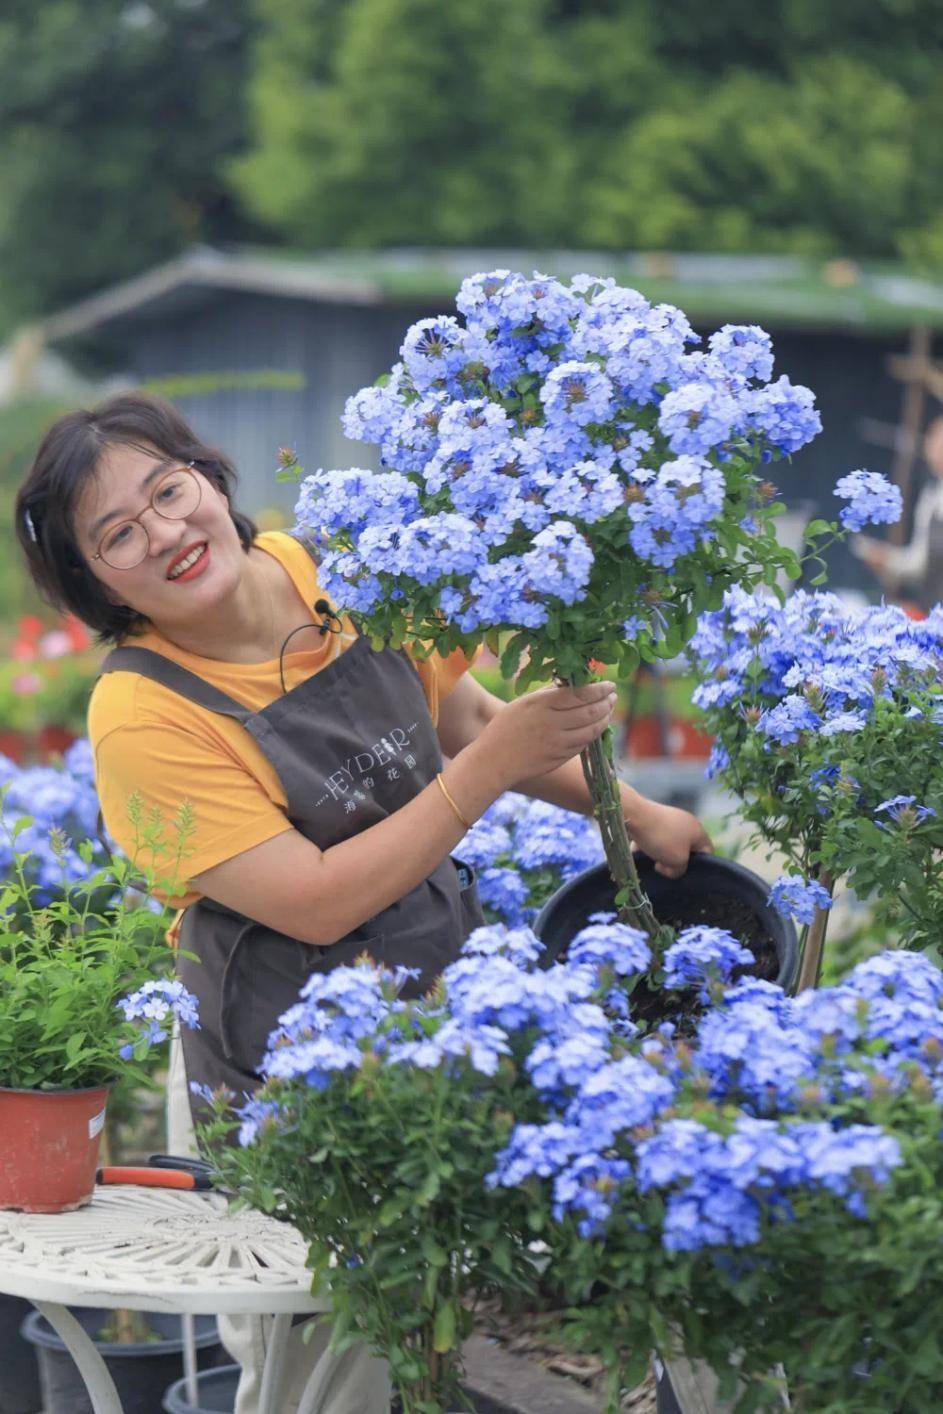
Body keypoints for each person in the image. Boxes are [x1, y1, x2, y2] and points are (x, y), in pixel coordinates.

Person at [15, 392, 712, 1413]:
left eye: (167, 490)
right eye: (117, 534)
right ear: (94, 584)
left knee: (437, 1313)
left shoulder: (321, 566)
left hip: (430, 1001)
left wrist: (639, 815)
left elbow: (458, 714)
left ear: (207, 474)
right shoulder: (141, 714)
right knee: (323, 1363)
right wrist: (488, 767)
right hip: (283, 1065)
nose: (163, 532)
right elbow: (313, 900)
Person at [854, 415, 943, 613]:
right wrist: (886, 559)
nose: (933, 446)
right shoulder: (931, 498)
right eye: (933, 439)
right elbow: (919, 563)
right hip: (933, 612)